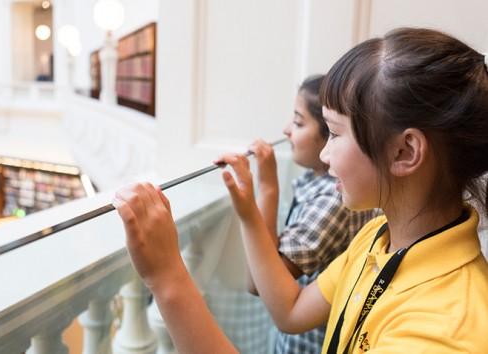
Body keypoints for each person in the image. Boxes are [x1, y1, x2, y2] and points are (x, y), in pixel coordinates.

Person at [113, 27, 488, 353]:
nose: (325, 152)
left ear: (404, 152)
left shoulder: (446, 329)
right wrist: (251, 207)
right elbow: (289, 311)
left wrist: (167, 278)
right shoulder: (378, 239)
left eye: (336, 133)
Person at [247, 75, 376, 354]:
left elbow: (258, 282)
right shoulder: (316, 183)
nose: (286, 130)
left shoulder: (331, 199)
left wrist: (268, 187)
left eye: (298, 121)